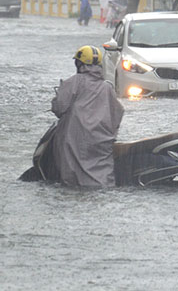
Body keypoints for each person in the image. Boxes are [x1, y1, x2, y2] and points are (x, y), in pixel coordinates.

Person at [50, 46, 124, 187]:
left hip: (75, 139)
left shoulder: (74, 82)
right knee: (102, 172)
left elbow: (59, 107)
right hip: (102, 139)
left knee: (72, 175)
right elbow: (117, 113)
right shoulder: (107, 87)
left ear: (79, 64)